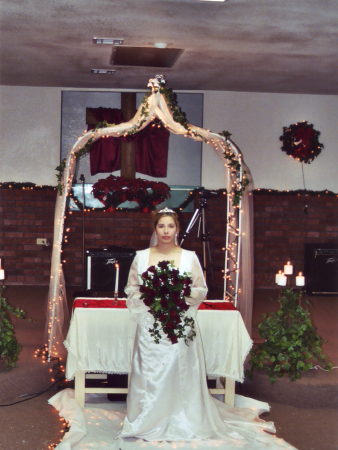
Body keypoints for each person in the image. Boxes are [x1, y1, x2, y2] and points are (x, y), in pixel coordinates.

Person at [116, 208, 296, 448]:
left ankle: (184, 417)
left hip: (180, 322)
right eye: (161, 226)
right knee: (150, 372)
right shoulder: (142, 256)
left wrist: (179, 298)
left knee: (180, 369)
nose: (166, 231)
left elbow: (200, 290)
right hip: (150, 324)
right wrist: (153, 301)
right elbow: (132, 289)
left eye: (171, 226)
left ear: (177, 229)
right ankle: (145, 419)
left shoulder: (189, 257)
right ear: (155, 229)